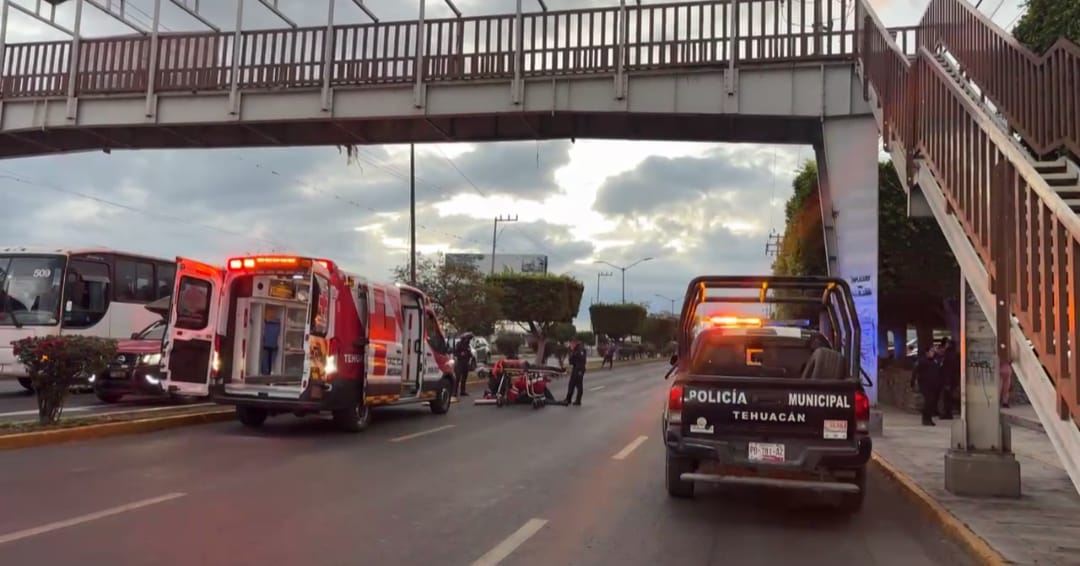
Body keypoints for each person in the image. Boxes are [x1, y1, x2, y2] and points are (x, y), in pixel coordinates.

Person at [911, 345, 943, 426]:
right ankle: (925, 418)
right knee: (929, 401)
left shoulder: (935, 361)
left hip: (934, 384)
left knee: (932, 402)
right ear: (927, 352)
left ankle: (929, 418)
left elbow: (939, 370)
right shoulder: (922, 361)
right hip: (925, 384)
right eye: (931, 351)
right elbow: (915, 371)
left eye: (933, 351)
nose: (933, 353)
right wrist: (913, 381)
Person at [939, 337, 959, 419]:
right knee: (949, 396)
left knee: (947, 397)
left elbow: (948, 369)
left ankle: (948, 413)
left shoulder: (949, 354)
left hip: (949, 379)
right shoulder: (955, 354)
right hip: (953, 379)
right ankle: (948, 412)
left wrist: (947, 382)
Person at [564, 340, 587, 406]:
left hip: (579, 369)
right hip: (575, 368)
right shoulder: (574, 350)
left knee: (579, 385)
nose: (570, 345)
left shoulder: (581, 349)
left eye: (571, 344)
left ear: (574, 343)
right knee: (571, 384)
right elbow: (572, 361)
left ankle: (578, 400)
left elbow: (582, 361)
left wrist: (579, 370)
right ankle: (568, 399)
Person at [261, 306, 281, 375]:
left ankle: (266, 371)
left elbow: (263, 335)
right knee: (270, 360)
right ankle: (268, 372)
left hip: (267, 346)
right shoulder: (278, 324)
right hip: (273, 346)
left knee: (266, 359)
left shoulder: (266, 324)